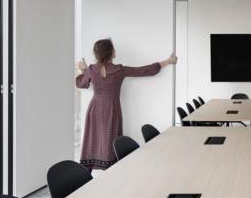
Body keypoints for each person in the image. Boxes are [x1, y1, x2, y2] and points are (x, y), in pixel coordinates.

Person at [75, 38, 177, 170]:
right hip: (112, 108)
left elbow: (81, 84)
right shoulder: (119, 70)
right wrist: (168, 61)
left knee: (93, 138)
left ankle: (88, 171)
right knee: (111, 139)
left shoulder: (91, 69)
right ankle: (111, 169)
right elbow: (144, 70)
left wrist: (82, 71)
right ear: (111, 52)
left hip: (95, 108)